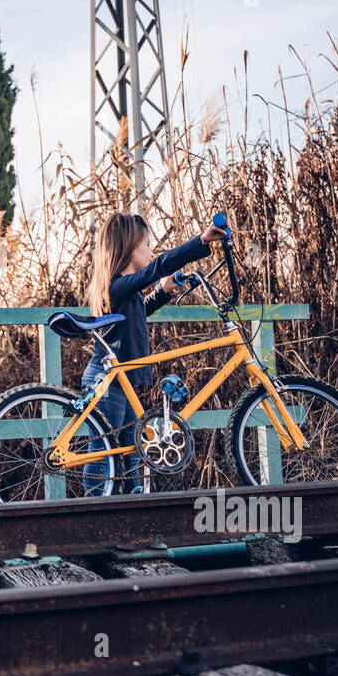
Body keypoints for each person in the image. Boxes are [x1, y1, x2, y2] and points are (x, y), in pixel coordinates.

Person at [82, 212, 228, 494]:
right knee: (102, 451)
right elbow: (158, 266)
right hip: (105, 381)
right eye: (146, 244)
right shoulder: (116, 285)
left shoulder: (124, 292)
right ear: (127, 249)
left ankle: (134, 506)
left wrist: (163, 291)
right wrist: (201, 242)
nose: (151, 251)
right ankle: (94, 509)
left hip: (119, 382)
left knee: (132, 448)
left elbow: (139, 312)